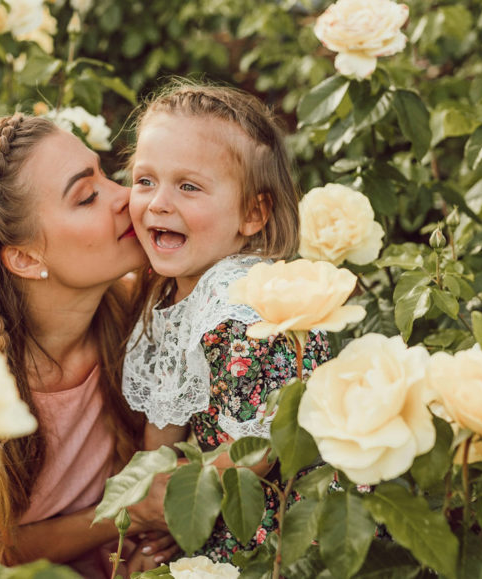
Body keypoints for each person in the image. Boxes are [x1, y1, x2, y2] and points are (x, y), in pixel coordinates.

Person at [0, 113, 176, 576]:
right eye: (87, 197)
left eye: (106, 175)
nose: (126, 198)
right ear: (27, 259)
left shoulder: (142, 308)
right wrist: (128, 511)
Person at [122, 82, 332, 562]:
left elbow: (260, 449)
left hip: (277, 517)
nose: (158, 203)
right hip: (219, 494)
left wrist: (180, 507)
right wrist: (152, 499)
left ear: (253, 213)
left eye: (188, 187)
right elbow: (163, 429)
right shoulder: (171, 293)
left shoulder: (244, 302)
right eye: (145, 180)